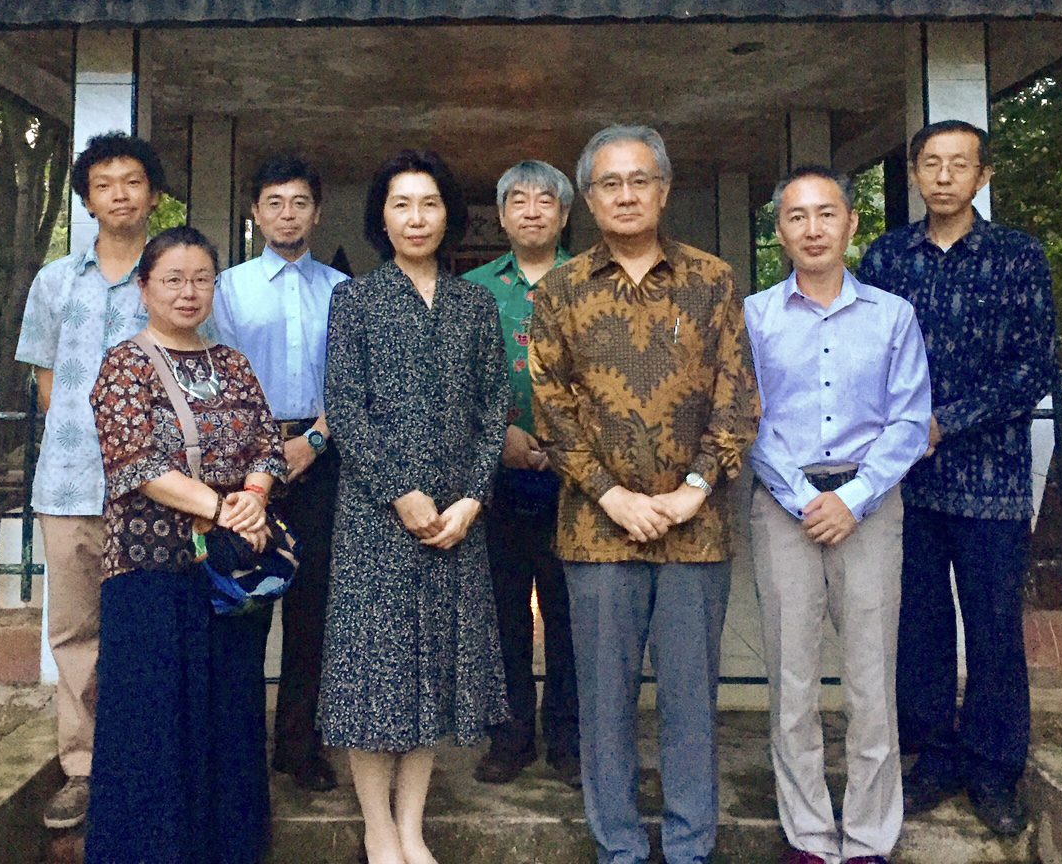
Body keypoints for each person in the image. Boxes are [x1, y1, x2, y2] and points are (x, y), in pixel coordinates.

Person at [530, 125, 757, 864]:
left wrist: (695, 490)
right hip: (597, 532)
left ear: (663, 190)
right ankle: (620, 849)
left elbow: (737, 395)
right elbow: (550, 405)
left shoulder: (714, 280)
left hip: (697, 532)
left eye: (639, 181)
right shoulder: (560, 289)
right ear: (588, 200)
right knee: (604, 706)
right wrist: (610, 495)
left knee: (692, 704)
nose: (625, 195)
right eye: (608, 184)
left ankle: (691, 850)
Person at [858, 121, 1057, 838]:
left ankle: (995, 769)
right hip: (904, 481)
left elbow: (1035, 366)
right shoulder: (886, 257)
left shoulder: (1017, 256)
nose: (943, 177)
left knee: (995, 626)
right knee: (919, 626)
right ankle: (934, 756)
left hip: (991, 477)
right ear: (913, 175)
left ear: (982, 177)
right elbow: (861, 356)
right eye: (930, 165)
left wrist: (949, 420)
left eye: (958, 165)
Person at [318, 149, 511, 864]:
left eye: (429, 203)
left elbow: (496, 405)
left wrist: (471, 500)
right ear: (382, 217)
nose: (417, 217)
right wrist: (400, 493)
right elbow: (346, 405)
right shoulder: (355, 301)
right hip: (377, 519)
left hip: (455, 524)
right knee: (377, 678)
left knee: (432, 675)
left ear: (448, 216)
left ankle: (412, 824)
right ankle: (376, 825)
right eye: (402, 204)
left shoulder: (475, 304)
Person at [83, 225, 289, 864]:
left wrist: (253, 496)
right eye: (172, 278)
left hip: (227, 577)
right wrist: (225, 508)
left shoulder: (231, 363)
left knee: (230, 715)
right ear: (144, 287)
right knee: (153, 724)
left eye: (201, 278)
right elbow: (136, 463)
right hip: (150, 574)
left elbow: (267, 442)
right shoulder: (125, 364)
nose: (188, 291)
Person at [743, 168, 931, 864]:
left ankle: (868, 839)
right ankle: (810, 838)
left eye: (827, 214)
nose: (813, 229)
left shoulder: (893, 315)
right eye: (797, 217)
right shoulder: (754, 316)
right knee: (791, 683)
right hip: (785, 506)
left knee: (870, 684)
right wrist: (803, 498)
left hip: (871, 510)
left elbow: (909, 423)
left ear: (852, 224)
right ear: (780, 231)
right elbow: (746, 418)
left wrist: (852, 500)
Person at [16, 132, 196, 830]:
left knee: (151, 627)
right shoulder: (56, 282)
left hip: (158, 494)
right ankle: (85, 768)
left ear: (154, 193)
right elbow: (46, 381)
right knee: (74, 632)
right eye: (103, 183)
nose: (119, 193)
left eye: (132, 181)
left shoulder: (175, 277)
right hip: (69, 486)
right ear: (88, 198)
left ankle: (152, 761)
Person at [213, 155, 348, 793]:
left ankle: (300, 746)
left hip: (324, 460)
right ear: (255, 211)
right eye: (274, 202)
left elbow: (354, 383)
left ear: (316, 213)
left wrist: (314, 442)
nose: (286, 213)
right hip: (243, 465)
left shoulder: (344, 290)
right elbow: (218, 379)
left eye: (299, 202)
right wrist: (268, 453)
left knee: (313, 608)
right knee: (244, 601)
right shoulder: (228, 289)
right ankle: (237, 748)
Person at [461, 161, 580, 787]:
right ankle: (509, 739)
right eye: (519, 201)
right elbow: (456, 384)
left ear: (564, 214)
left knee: (569, 611)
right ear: (502, 215)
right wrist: (496, 435)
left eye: (546, 200)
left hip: (579, 480)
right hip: (495, 478)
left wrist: (565, 439)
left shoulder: (594, 280)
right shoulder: (472, 290)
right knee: (501, 611)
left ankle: (569, 738)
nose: (532, 210)